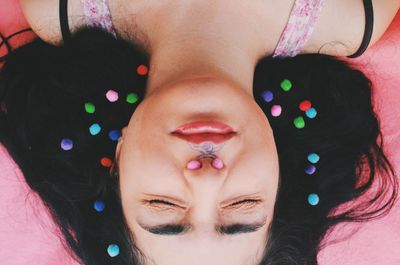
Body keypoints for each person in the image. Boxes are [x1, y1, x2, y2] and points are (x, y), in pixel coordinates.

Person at [0, 1, 399, 265]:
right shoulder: (351, 15)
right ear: (280, 171)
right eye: (243, 204)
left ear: (117, 162)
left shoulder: (59, 8)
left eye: (163, 204)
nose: (206, 174)